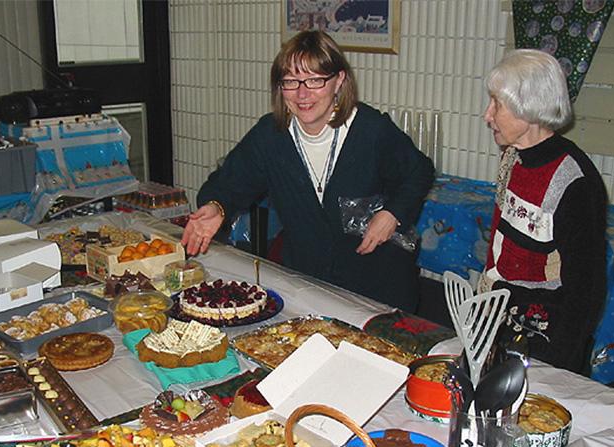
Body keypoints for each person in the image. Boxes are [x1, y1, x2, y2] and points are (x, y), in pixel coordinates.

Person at [181, 30, 434, 311]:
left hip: (377, 283)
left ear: (339, 80)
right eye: (291, 81)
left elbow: (419, 171)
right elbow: (228, 183)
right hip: (309, 281)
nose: (302, 94)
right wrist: (217, 206)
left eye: (314, 80)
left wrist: (392, 214)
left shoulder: (370, 129)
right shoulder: (271, 135)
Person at [479, 49, 607, 375]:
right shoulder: (513, 156)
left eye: (498, 105)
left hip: (545, 338)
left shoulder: (575, 181)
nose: (487, 115)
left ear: (530, 109)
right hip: (499, 317)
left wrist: (561, 369)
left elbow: (585, 290)